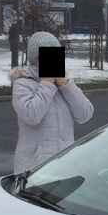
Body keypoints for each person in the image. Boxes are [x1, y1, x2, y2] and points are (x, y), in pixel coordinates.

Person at [10, 31, 94, 174]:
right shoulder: (22, 84)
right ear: (36, 58)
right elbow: (32, 116)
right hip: (33, 170)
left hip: (65, 167)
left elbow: (85, 114)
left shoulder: (62, 84)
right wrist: (47, 83)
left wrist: (66, 85)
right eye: (49, 54)